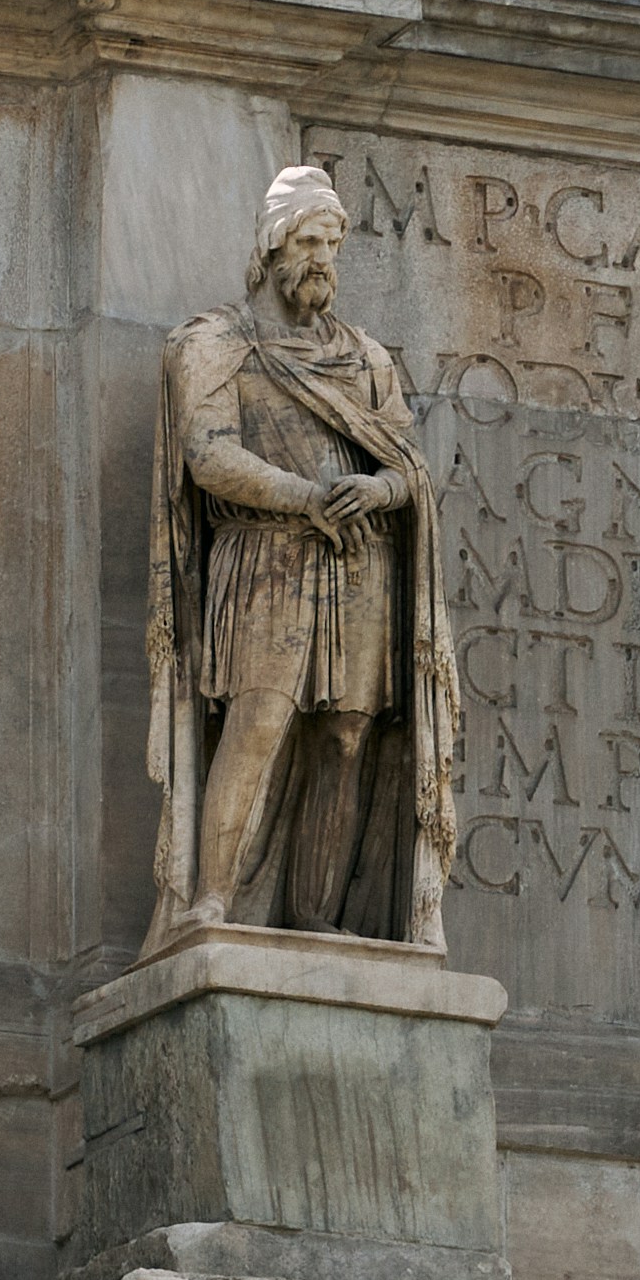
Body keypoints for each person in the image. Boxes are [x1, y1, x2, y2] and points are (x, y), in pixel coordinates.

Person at [151, 159, 449, 943]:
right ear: (271, 249)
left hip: (359, 563)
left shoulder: (366, 357)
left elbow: (407, 465)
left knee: (347, 736)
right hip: (266, 559)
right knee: (256, 722)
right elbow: (208, 456)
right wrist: (304, 496)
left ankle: (315, 912)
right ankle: (209, 899)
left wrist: (379, 493)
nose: (321, 259)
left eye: (331, 244)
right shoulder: (216, 342)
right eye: (307, 242)